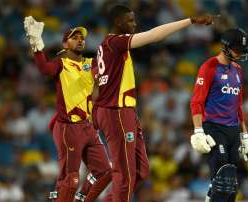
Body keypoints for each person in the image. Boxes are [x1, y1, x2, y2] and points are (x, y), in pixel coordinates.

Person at [91, 4, 214, 202]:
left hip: (121, 111)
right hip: (117, 111)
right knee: (125, 174)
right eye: (130, 20)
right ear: (117, 22)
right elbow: (155, 35)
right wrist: (190, 21)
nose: (134, 23)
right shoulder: (116, 42)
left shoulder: (105, 47)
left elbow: (94, 72)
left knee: (140, 171)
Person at [23, 16, 112, 202]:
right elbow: (45, 69)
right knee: (70, 179)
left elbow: (106, 69)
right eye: (75, 37)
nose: (80, 40)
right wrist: (37, 46)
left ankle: (81, 199)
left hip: (88, 127)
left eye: (82, 38)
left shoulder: (90, 63)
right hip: (69, 128)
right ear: (65, 43)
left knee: (105, 172)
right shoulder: (61, 64)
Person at [189, 28, 248, 202]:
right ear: (225, 47)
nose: (240, 54)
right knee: (223, 179)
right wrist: (198, 131)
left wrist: (244, 133)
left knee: (232, 186)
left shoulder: (238, 70)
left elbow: (238, 105)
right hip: (214, 128)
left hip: (233, 130)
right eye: (237, 50)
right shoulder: (209, 67)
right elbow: (197, 101)